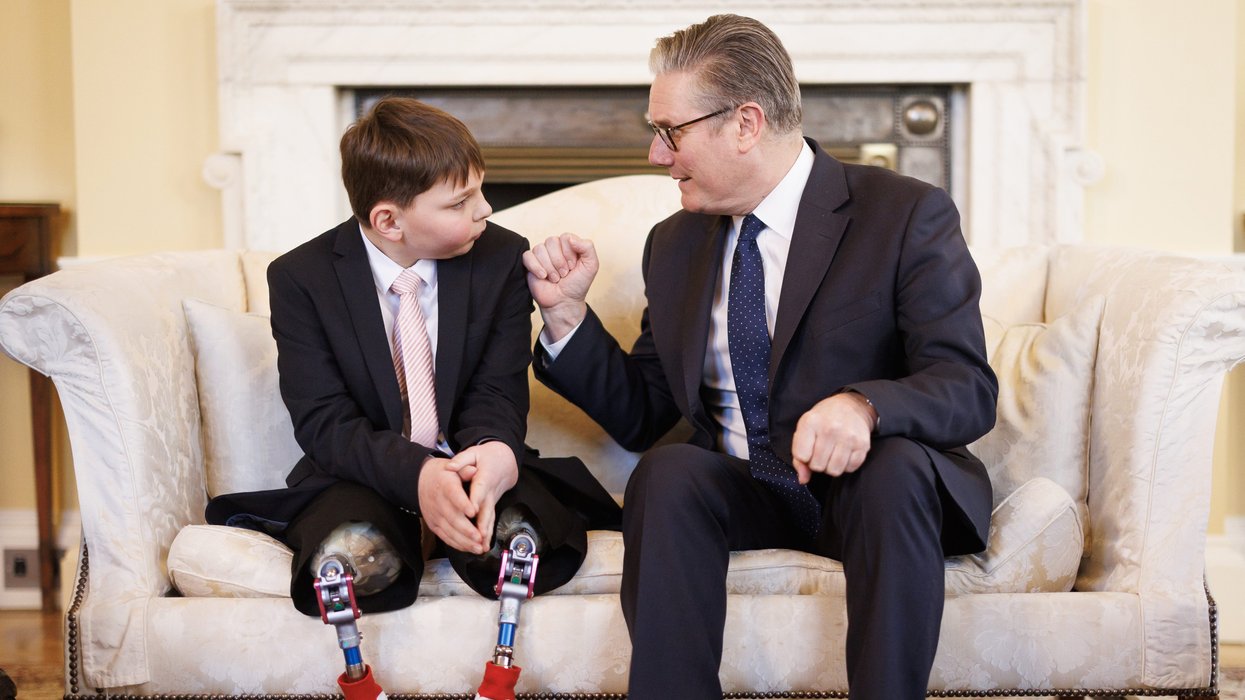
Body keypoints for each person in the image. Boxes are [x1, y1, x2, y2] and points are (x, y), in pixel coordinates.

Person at [523, 14, 998, 700]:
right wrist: (567, 315)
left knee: (893, 468)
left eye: (670, 132)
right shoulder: (675, 244)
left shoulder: (902, 214)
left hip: (870, 495)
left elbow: (965, 384)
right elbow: (645, 413)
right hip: (748, 490)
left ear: (745, 123)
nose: (656, 155)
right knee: (667, 470)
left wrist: (863, 406)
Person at [207, 96, 620, 616]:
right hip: (363, 472)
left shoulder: (500, 258)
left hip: (470, 458)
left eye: (481, 189)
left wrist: (494, 450)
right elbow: (325, 422)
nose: (485, 209)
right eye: (459, 202)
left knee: (517, 536)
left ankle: (489, 534)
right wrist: (419, 476)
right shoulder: (301, 280)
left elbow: (496, 389)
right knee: (355, 549)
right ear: (389, 220)